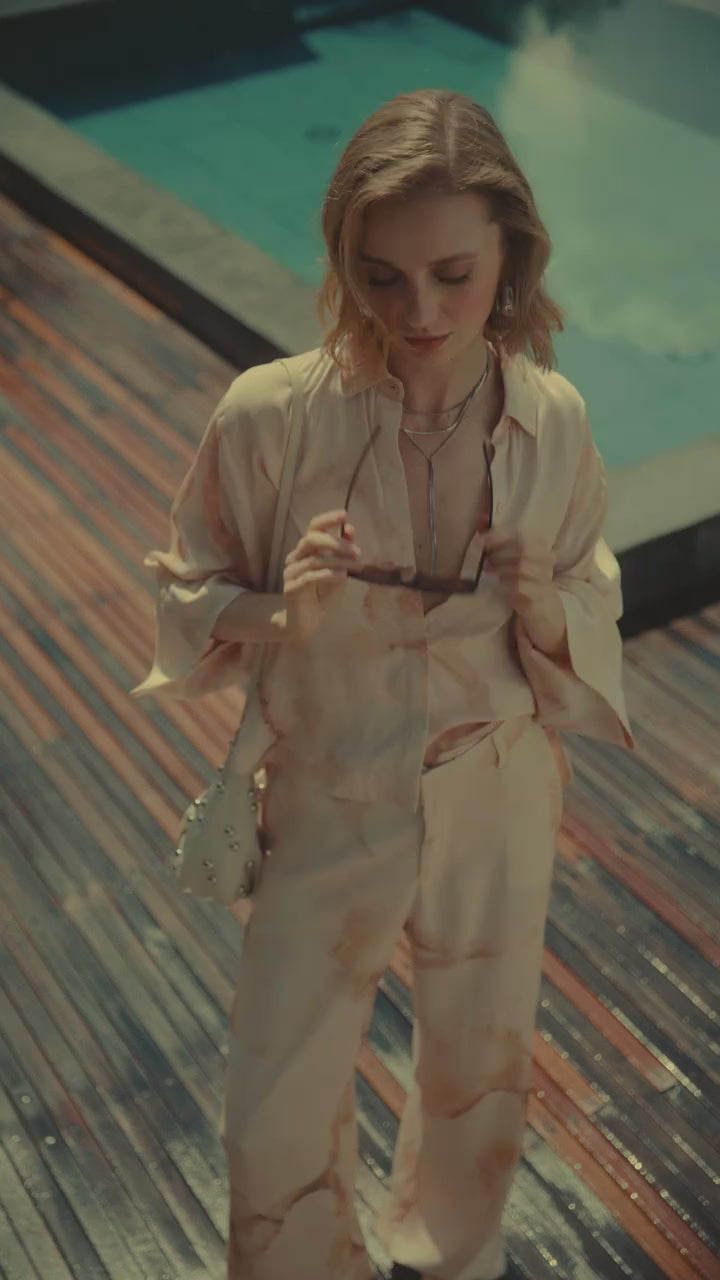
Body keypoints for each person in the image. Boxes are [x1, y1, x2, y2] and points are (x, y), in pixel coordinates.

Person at [131, 89, 634, 1280]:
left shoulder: (554, 419)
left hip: (495, 785)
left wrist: (541, 601)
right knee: (274, 1104)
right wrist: (282, 607)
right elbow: (184, 590)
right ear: (343, 259)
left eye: (454, 275)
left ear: (511, 256)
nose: (419, 312)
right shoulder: (270, 414)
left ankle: (449, 1256)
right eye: (381, 276)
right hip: (329, 791)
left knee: (480, 1071)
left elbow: (591, 594)